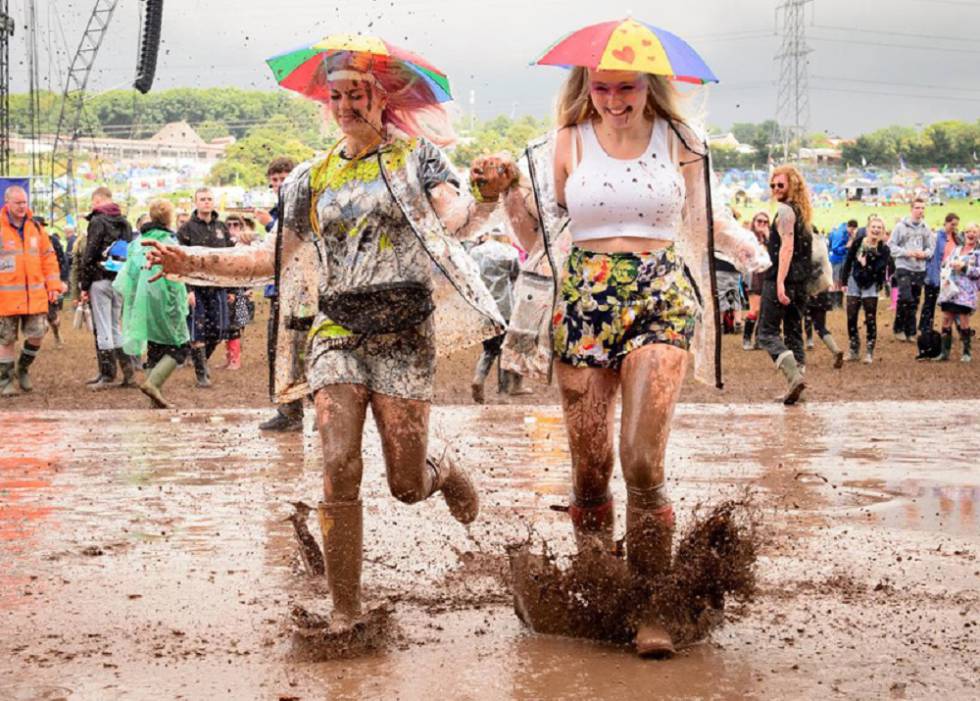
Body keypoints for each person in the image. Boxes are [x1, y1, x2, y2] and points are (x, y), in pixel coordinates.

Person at [144, 48, 508, 635]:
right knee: (339, 463)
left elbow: (458, 221)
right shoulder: (311, 178)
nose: (344, 106)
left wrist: (488, 196)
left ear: (383, 96)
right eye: (334, 95)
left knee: (406, 484)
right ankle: (346, 609)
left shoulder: (418, 159)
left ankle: (444, 469)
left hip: (404, 333)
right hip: (336, 331)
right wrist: (191, 260)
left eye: (355, 93)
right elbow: (272, 259)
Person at [497, 65, 769, 657]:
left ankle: (654, 606)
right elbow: (532, 233)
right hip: (585, 300)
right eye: (602, 87)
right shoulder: (565, 142)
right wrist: (509, 192)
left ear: (649, 85)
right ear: (585, 86)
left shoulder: (683, 139)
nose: (614, 100)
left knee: (642, 460)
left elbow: (703, 219)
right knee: (590, 472)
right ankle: (601, 592)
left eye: (627, 87)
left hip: (661, 295)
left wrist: (747, 248)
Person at [113, 199, 191, 408]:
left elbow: (127, 276)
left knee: (155, 346)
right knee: (180, 345)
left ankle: (153, 402)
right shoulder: (170, 242)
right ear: (169, 218)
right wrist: (183, 299)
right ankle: (153, 384)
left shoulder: (136, 243)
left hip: (141, 301)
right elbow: (178, 276)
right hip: (166, 300)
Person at [255, 157, 306, 432]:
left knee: (304, 351)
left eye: (283, 178)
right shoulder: (279, 210)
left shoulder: (300, 209)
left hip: (302, 292)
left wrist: (266, 225)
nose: (278, 184)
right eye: (274, 180)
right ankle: (289, 410)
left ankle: (321, 412)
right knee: (279, 351)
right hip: (278, 290)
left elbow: (289, 245)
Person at [757, 165, 813, 405]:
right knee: (792, 331)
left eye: (780, 185)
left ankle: (793, 378)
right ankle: (797, 381)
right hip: (801, 282)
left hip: (783, 279)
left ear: (792, 185)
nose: (776, 189)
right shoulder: (802, 212)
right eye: (772, 185)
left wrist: (779, 282)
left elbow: (787, 248)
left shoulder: (786, 211)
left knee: (766, 333)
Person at [0, 186, 62, 396]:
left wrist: (53, 286)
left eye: (24, 202)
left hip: (34, 296)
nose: (22, 206)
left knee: (37, 335)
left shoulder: (36, 228)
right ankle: (5, 381)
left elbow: (49, 258)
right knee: (6, 339)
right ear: (7, 202)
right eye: (17, 203)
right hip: (5, 298)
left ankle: (23, 368)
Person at [79, 187, 134, 389]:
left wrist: (84, 284)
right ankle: (128, 373)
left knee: (102, 327)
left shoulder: (97, 221)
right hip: (120, 280)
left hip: (100, 278)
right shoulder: (125, 222)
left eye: (93, 202)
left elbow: (90, 253)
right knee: (114, 326)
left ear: (98, 200)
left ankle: (107, 375)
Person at [177, 188, 233, 387]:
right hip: (196, 286)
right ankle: (202, 375)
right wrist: (188, 289)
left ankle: (201, 360)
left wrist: (233, 289)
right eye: (202, 199)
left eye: (209, 199)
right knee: (197, 328)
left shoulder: (222, 228)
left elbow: (230, 259)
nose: (206, 202)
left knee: (219, 329)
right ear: (196, 202)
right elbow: (181, 262)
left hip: (218, 285)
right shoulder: (186, 229)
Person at [468, 228, 523, 403]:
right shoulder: (510, 252)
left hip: (484, 308)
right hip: (505, 307)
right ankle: (503, 393)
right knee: (505, 350)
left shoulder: (475, 252)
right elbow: (516, 275)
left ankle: (479, 378)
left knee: (489, 349)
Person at [841, 215, 890, 363]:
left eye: (879, 228)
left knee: (870, 317)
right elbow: (848, 261)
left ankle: (869, 351)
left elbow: (879, 270)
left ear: (882, 231)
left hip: (871, 283)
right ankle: (854, 349)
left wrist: (865, 263)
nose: (875, 230)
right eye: (873, 227)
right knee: (851, 316)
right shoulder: (858, 243)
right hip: (854, 280)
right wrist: (844, 281)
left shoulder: (884, 249)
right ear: (868, 229)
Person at [889, 199, 933, 342]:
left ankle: (910, 332)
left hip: (919, 268)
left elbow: (930, 248)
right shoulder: (900, 227)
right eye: (917, 207)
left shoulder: (926, 228)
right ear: (911, 209)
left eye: (922, 208)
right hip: (903, 267)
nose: (920, 210)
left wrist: (924, 254)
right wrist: (906, 252)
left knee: (914, 300)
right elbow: (891, 246)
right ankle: (899, 328)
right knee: (906, 297)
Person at [935, 222, 979, 362]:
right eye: (968, 232)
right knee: (946, 319)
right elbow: (946, 262)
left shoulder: (978, 253)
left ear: (978, 234)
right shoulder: (956, 249)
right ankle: (944, 353)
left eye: (974, 232)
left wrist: (964, 267)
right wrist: (948, 265)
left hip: (966, 292)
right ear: (964, 234)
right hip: (950, 289)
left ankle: (966, 352)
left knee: (964, 321)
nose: (970, 234)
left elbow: (978, 272)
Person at [220, 214, 256, 371]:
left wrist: (249, 288)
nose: (233, 228)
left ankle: (235, 360)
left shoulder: (247, 245)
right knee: (226, 324)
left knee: (235, 325)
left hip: (241, 290)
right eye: (229, 225)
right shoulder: (223, 244)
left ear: (241, 227)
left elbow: (254, 267)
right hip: (227, 288)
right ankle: (229, 358)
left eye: (236, 225)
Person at [922, 213, 959, 334]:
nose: (954, 227)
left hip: (950, 275)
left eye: (956, 225)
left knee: (950, 303)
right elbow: (928, 254)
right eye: (952, 224)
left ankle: (950, 329)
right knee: (929, 303)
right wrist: (929, 270)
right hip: (935, 274)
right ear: (946, 222)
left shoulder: (957, 238)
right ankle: (925, 329)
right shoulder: (936, 236)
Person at [742, 211, 769, 350]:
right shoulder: (749, 238)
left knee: (765, 310)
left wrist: (768, 236)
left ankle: (760, 339)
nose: (762, 224)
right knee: (755, 309)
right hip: (754, 276)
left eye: (765, 222)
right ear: (754, 222)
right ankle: (746, 338)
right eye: (759, 221)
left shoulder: (769, 239)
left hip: (768, 276)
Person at [827, 219, 856, 309]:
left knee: (840, 281)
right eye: (853, 230)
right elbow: (834, 248)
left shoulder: (845, 232)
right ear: (851, 227)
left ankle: (838, 303)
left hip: (842, 259)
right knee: (835, 281)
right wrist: (846, 247)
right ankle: (833, 304)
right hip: (836, 259)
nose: (853, 233)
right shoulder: (840, 234)